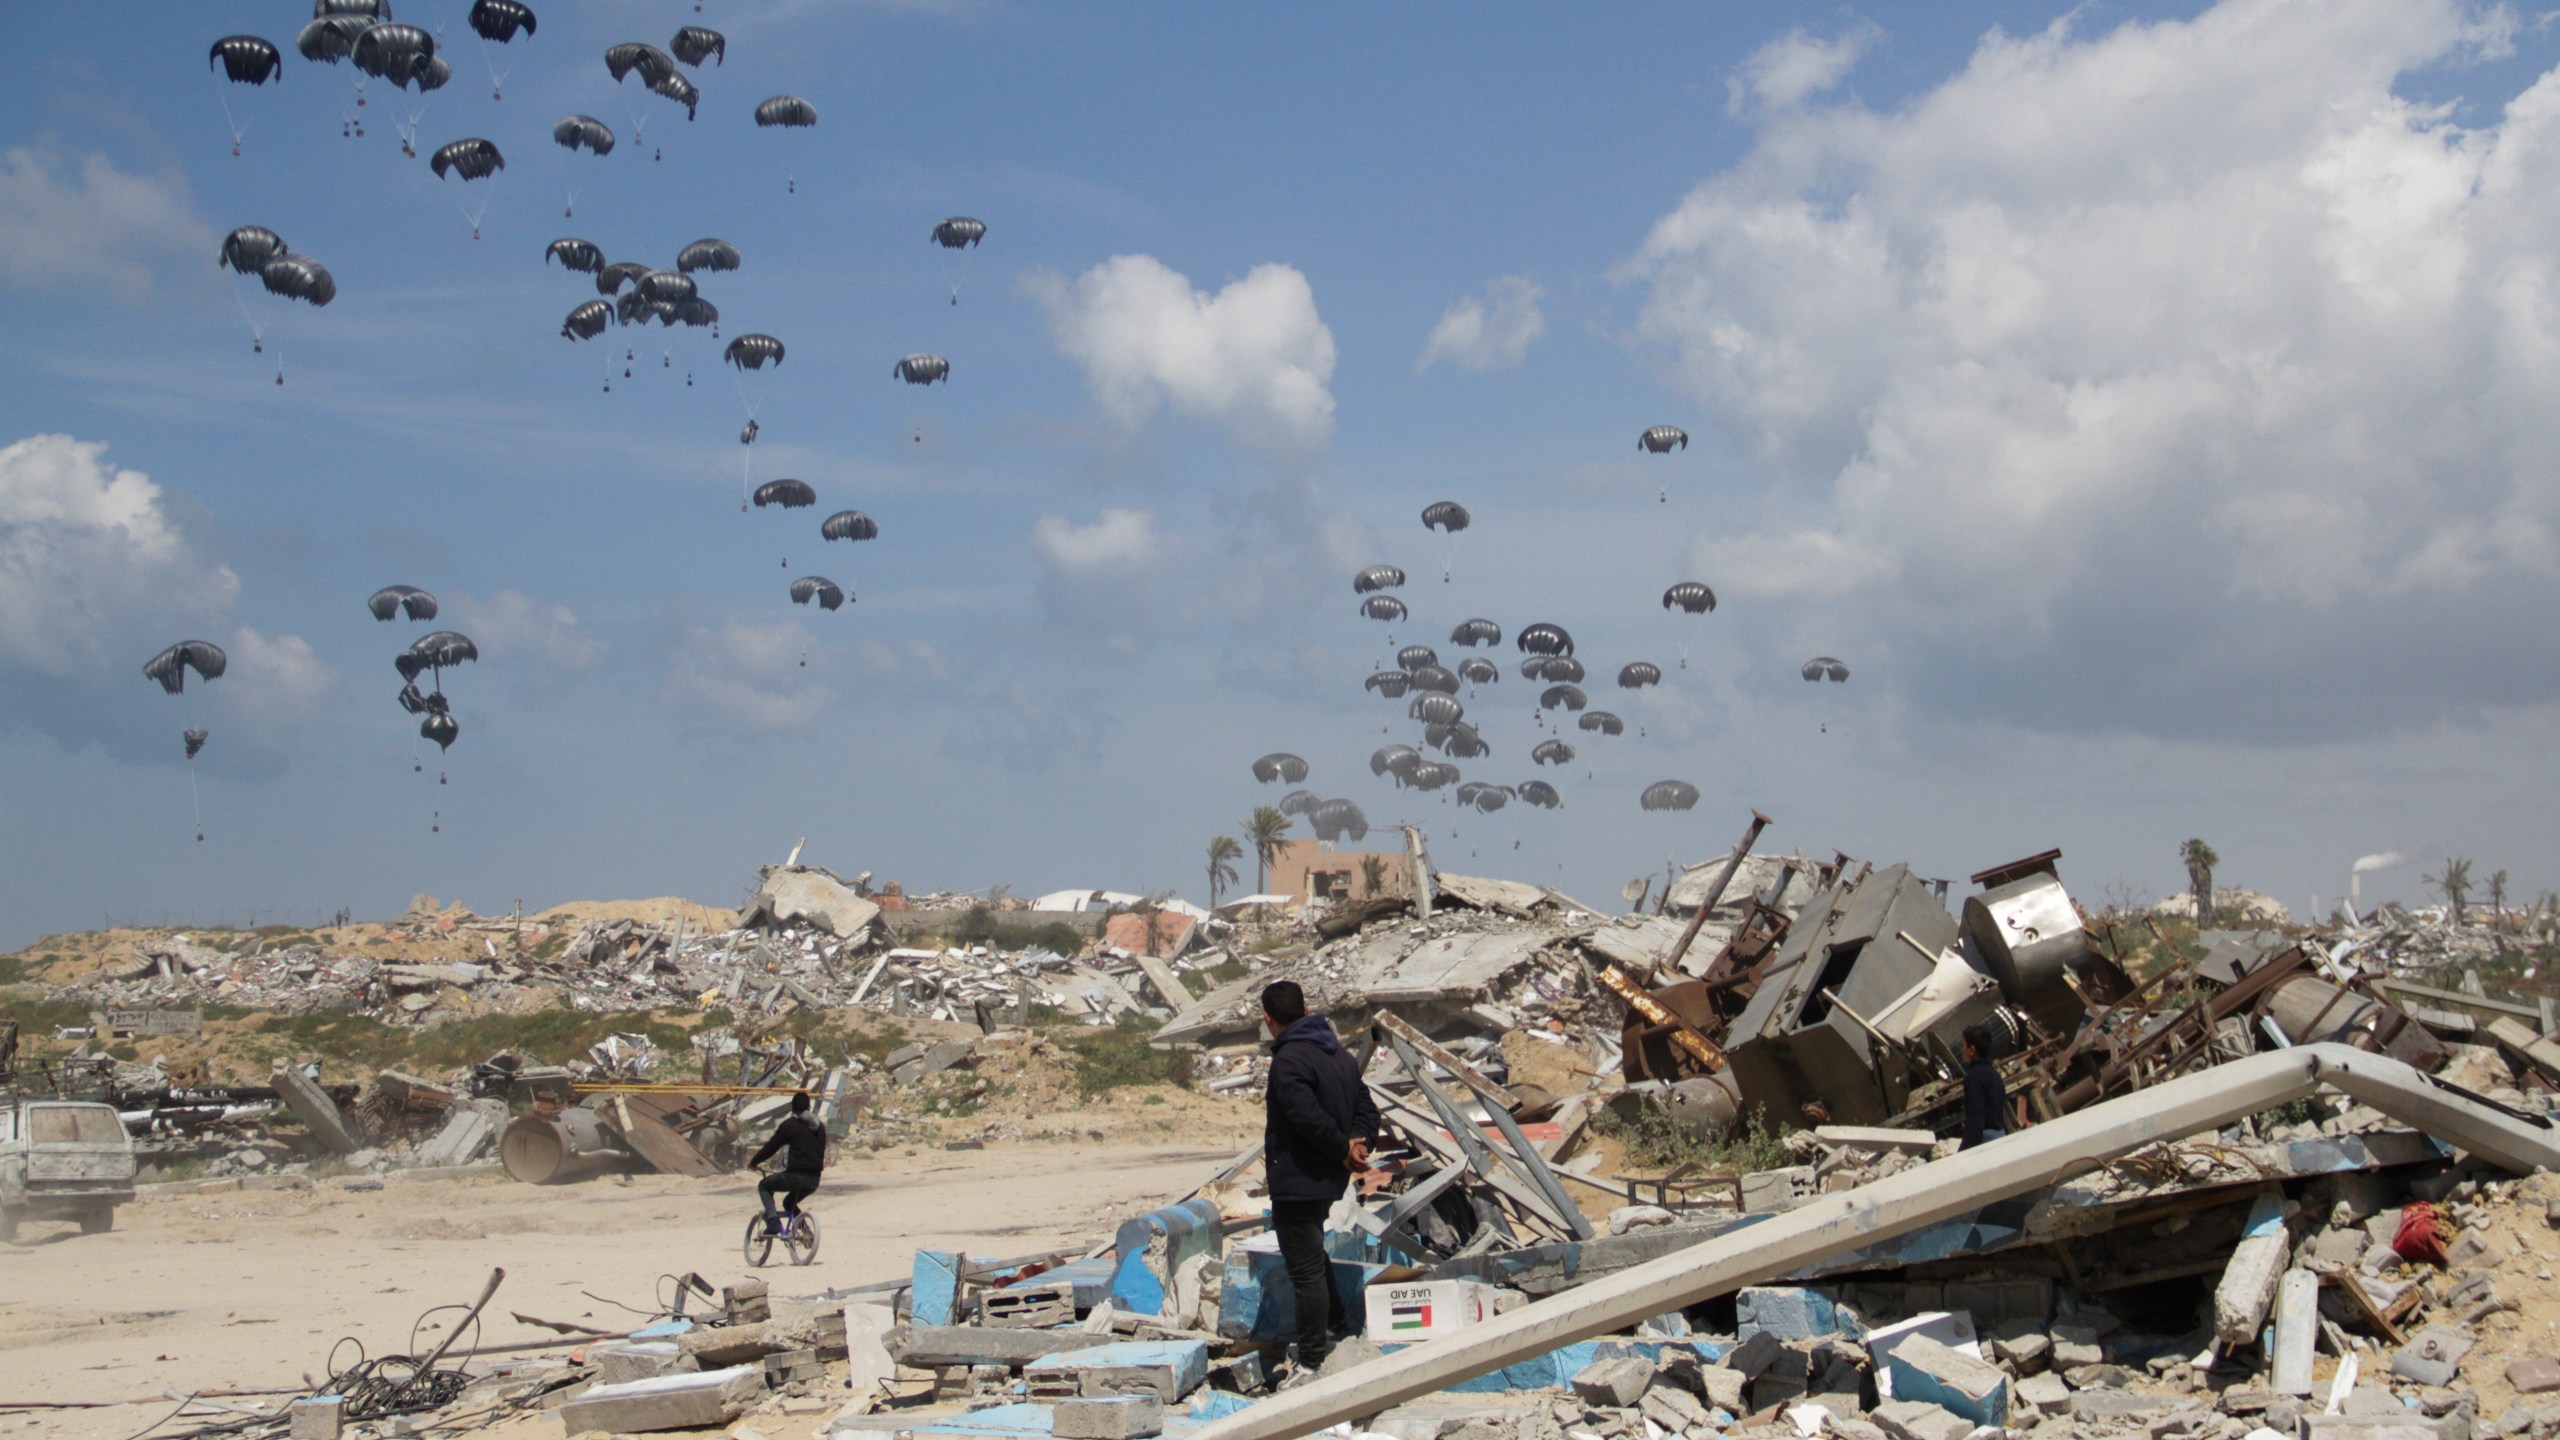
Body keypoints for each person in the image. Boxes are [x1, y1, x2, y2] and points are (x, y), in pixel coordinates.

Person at [1260, 980, 1378, 1376]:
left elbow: (1305, 1117)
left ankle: (1312, 1360)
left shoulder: (1289, 1060)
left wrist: (1345, 1150)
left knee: (1304, 1269)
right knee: (1312, 1253)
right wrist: (1358, 1144)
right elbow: (1365, 1106)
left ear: (1268, 1019)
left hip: (1298, 1181)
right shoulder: (1339, 1056)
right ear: (1306, 1009)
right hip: (1328, 1179)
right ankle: (1338, 1323)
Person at [749, 1091, 827, 1236]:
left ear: (792, 1108)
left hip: (795, 1176)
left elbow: (771, 1147)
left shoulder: (790, 1125)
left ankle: (773, 1222)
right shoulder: (820, 1127)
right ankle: (806, 1232)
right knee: (789, 1203)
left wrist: (754, 1162)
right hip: (814, 1180)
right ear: (809, 1107)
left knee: (764, 1186)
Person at [1959, 1024, 2009, 1150]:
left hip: (1986, 1142)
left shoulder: (1973, 1077)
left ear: (1971, 1050)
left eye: (1963, 1046)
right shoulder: (1995, 1074)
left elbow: (1976, 1119)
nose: (1961, 1050)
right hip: (2000, 1136)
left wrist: (1963, 1153)